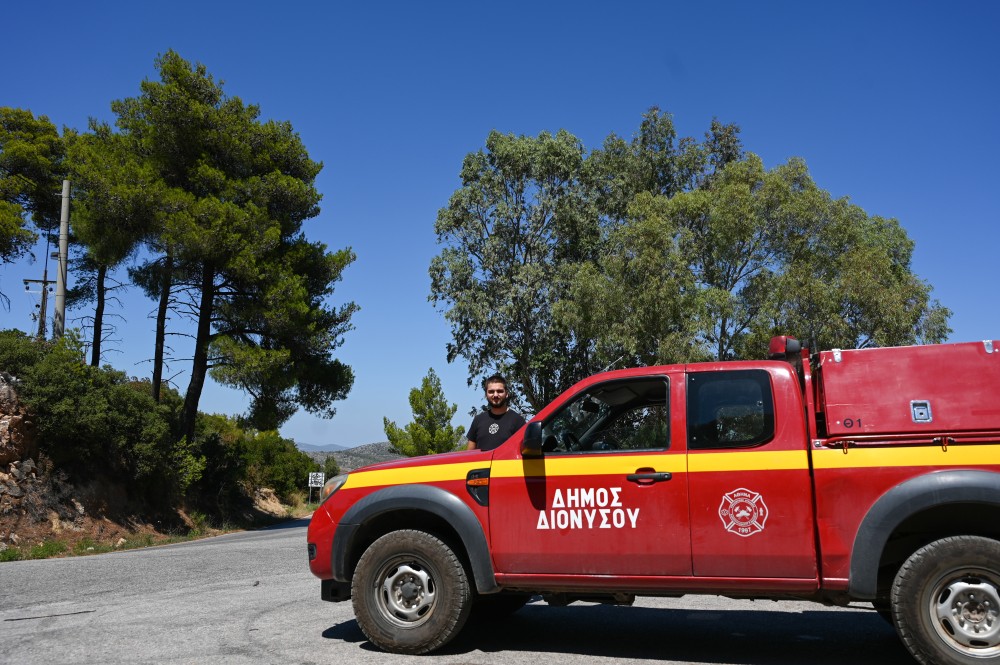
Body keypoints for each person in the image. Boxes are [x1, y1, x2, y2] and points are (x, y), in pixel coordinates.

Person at [466, 374, 525, 451]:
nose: (495, 395)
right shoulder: (478, 420)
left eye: (500, 391)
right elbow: (469, 453)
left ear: (506, 394)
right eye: (491, 392)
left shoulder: (518, 421)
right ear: (486, 394)